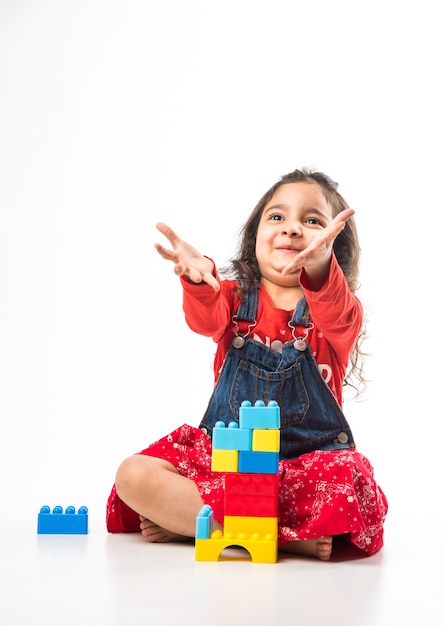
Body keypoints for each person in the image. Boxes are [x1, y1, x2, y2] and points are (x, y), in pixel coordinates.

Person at [106, 167, 388, 561]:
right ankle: (273, 537)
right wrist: (199, 281)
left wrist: (321, 269)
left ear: (332, 247)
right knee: (133, 475)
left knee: (348, 482)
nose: (291, 228)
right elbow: (203, 318)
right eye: (277, 217)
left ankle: (201, 527)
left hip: (305, 466)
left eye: (311, 221)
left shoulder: (335, 314)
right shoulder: (234, 299)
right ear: (255, 235)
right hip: (228, 464)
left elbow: (337, 310)